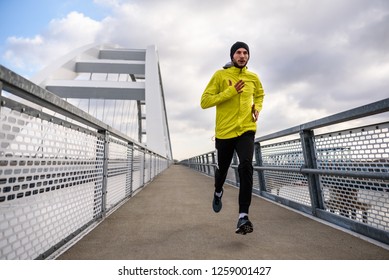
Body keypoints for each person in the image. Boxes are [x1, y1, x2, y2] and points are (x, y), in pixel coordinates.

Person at [200, 41, 265, 235]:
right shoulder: (220, 76)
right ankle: (218, 190)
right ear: (232, 56)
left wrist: (257, 107)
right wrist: (231, 91)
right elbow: (205, 102)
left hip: (246, 130)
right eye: (238, 52)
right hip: (225, 132)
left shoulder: (253, 77)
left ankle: (243, 216)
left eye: (245, 53)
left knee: (246, 166)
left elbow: (260, 94)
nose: (242, 56)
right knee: (222, 171)